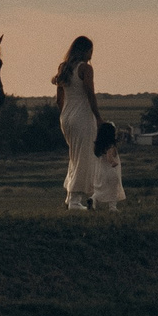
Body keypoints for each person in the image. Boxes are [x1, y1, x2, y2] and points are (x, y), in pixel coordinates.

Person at [54, 35, 105, 210]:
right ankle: (75, 200)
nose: (92, 54)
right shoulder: (86, 69)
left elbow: (59, 99)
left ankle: (70, 197)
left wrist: (65, 115)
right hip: (82, 116)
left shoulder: (64, 68)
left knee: (74, 156)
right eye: (91, 50)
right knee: (83, 157)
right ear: (85, 51)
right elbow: (90, 94)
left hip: (67, 117)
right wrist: (98, 117)